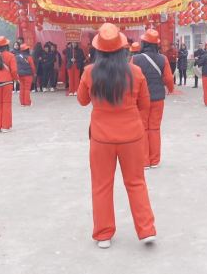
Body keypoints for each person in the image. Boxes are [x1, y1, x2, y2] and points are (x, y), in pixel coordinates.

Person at [77, 23, 156, 249]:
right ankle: (146, 230)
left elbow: (82, 101)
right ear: (123, 48)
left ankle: (103, 234)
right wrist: (133, 123)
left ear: (98, 50)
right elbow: (145, 105)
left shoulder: (90, 72)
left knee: (102, 185)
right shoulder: (136, 72)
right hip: (132, 136)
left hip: (101, 139)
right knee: (136, 182)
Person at [132, 29, 174, 168]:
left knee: (142, 128)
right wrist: (171, 89)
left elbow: (131, 78)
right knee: (155, 128)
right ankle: (155, 160)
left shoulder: (136, 59)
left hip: (141, 99)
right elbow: (168, 78)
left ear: (143, 43)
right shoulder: (163, 59)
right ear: (156, 44)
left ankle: (144, 161)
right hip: (158, 98)